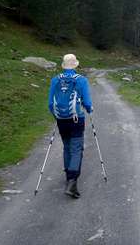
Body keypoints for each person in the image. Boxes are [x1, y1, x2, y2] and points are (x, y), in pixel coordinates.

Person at [48, 54, 93, 198]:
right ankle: (72, 182)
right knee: (76, 148)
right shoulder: (81, 80)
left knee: (67, 146)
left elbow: (50, 103)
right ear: (75, 65)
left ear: (64, 65)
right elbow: (86, 102)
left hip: (61, 119)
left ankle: (68, 176)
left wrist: (58, 116)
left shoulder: (55, 80)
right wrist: (89, 108)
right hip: (76, 119)